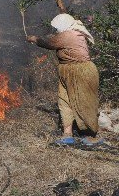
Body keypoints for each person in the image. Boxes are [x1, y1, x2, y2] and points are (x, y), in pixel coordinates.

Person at [26, 13, 102, 146]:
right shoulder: (71, 30)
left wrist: (34, 39)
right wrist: (61, 6)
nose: (56, 30)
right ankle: (67, 134)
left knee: (85, 101)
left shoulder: (68, 35)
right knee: (64, 101)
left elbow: (48, 43)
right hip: (67, 70)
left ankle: (91, 134)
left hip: (81, 71)